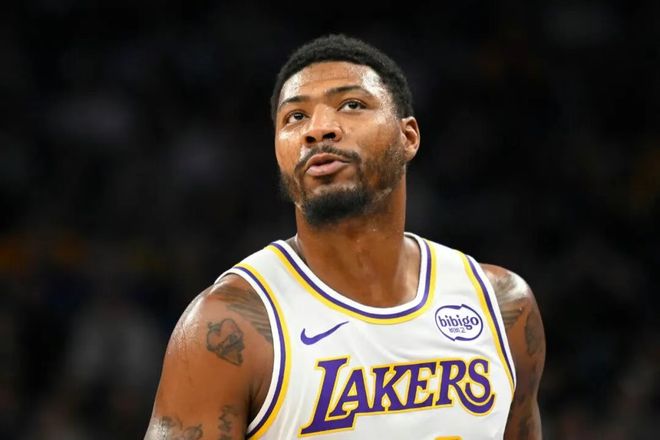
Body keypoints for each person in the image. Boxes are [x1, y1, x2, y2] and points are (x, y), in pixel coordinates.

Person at [144, 33, 546, 439]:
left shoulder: (501, 306)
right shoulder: (228, 327)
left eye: (352, 105)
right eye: (295, 117)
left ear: (408, 137)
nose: (318, 129)